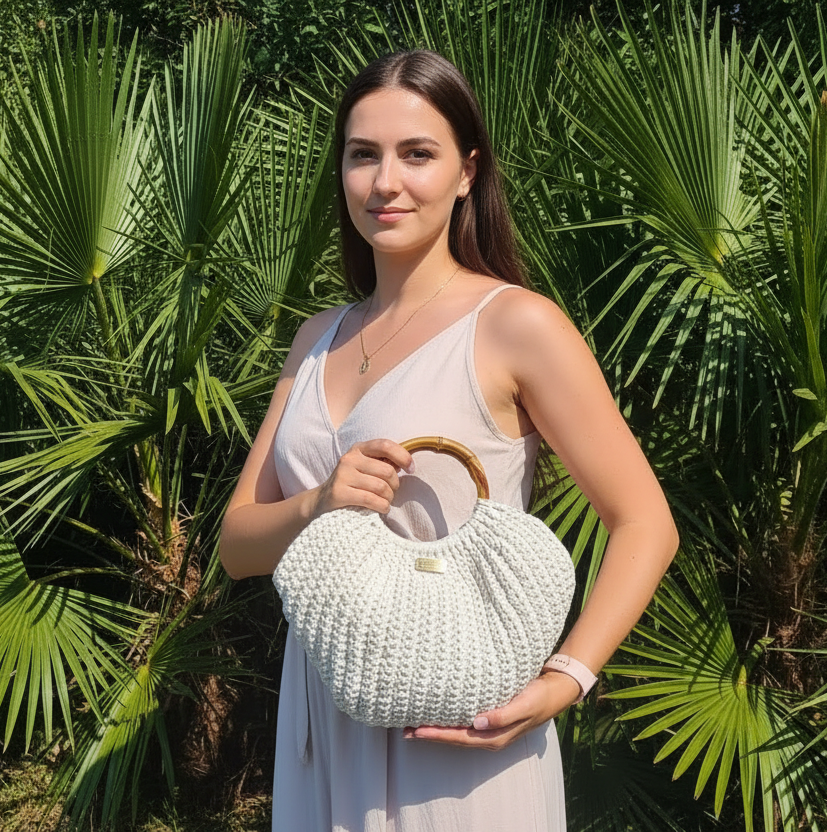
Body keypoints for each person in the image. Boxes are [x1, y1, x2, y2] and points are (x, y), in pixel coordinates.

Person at [219, 48, 680, 832]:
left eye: (416, 154)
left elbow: (645, 521)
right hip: (321, 721)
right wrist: (319, 503)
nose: (384, 182)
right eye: (362, 155)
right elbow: (237, 548)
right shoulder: (315, 339)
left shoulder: (514, 324)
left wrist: (567, 677)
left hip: (458, 731)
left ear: (467, 172)